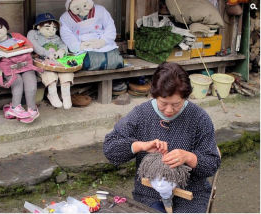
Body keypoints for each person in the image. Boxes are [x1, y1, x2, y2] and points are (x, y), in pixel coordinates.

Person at [103, 62, 221, 213]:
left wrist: (189, 157)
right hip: (149, 192)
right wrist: (140, 146)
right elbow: (110, 149)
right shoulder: (141, 114)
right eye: (163, 103)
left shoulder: (198, 118)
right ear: (154, 95)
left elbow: (212, 163)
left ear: (186, 97)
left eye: (176, 104)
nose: (169, 110)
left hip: (191, 194)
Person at [0, 17, 42, 123]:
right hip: (10, 70)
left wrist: (18, 48)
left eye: (0, 28)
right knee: (17, 81)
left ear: (6, 26)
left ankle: (32, 108)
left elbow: (29, 45)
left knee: (30, 82)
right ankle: (15, 107)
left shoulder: (16, 36)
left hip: (25, 65)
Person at [59, 0, 123, 70]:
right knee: (87, 62)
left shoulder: (100, 10)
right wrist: (78, 46)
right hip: (83, 46)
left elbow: (110, 26)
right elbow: (67, 35)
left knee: (115, 60)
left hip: (102, 42)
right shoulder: (65, 18)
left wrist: (103, 41)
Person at [27, 13, 73, 109]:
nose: (51, 31)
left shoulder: (56, 37)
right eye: (47, 28)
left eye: (54, 28)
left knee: (66, 72)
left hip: (57, 62)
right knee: (49, 74)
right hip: (42, 62)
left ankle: (66, 95)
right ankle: (52, 94)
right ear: (38, 26)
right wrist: (47, 53)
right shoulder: (33, 34)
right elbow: (35, 46)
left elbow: (63, 45)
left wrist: (62, 51)